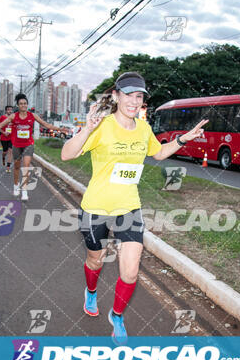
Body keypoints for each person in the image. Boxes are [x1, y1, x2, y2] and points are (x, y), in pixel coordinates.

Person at [60, 72, 207, 345]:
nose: (134, 101)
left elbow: (159, 153)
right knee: (96, 259)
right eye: (128, 94)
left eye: (139, 96)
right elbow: (66, 154)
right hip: (97, 207)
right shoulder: (101, 126)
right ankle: (91, 291)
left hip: (129, 207)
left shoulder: (143, 128)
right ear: (116, 96)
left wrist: (184, 138)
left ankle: (116, 316)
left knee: (130, 270)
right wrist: (87, 129)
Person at [0, 94, 60, 200]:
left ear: (27, 105)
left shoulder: (32, 116)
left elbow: (46, 125)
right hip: (16, 145)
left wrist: (61, 129)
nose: (23, 105)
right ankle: (16, 185)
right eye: (21, 104)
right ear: (18, 105)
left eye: (25, 103)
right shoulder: (13, 116)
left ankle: (24, 190)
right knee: (16, 167)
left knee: (26, 166)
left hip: (28, 144)